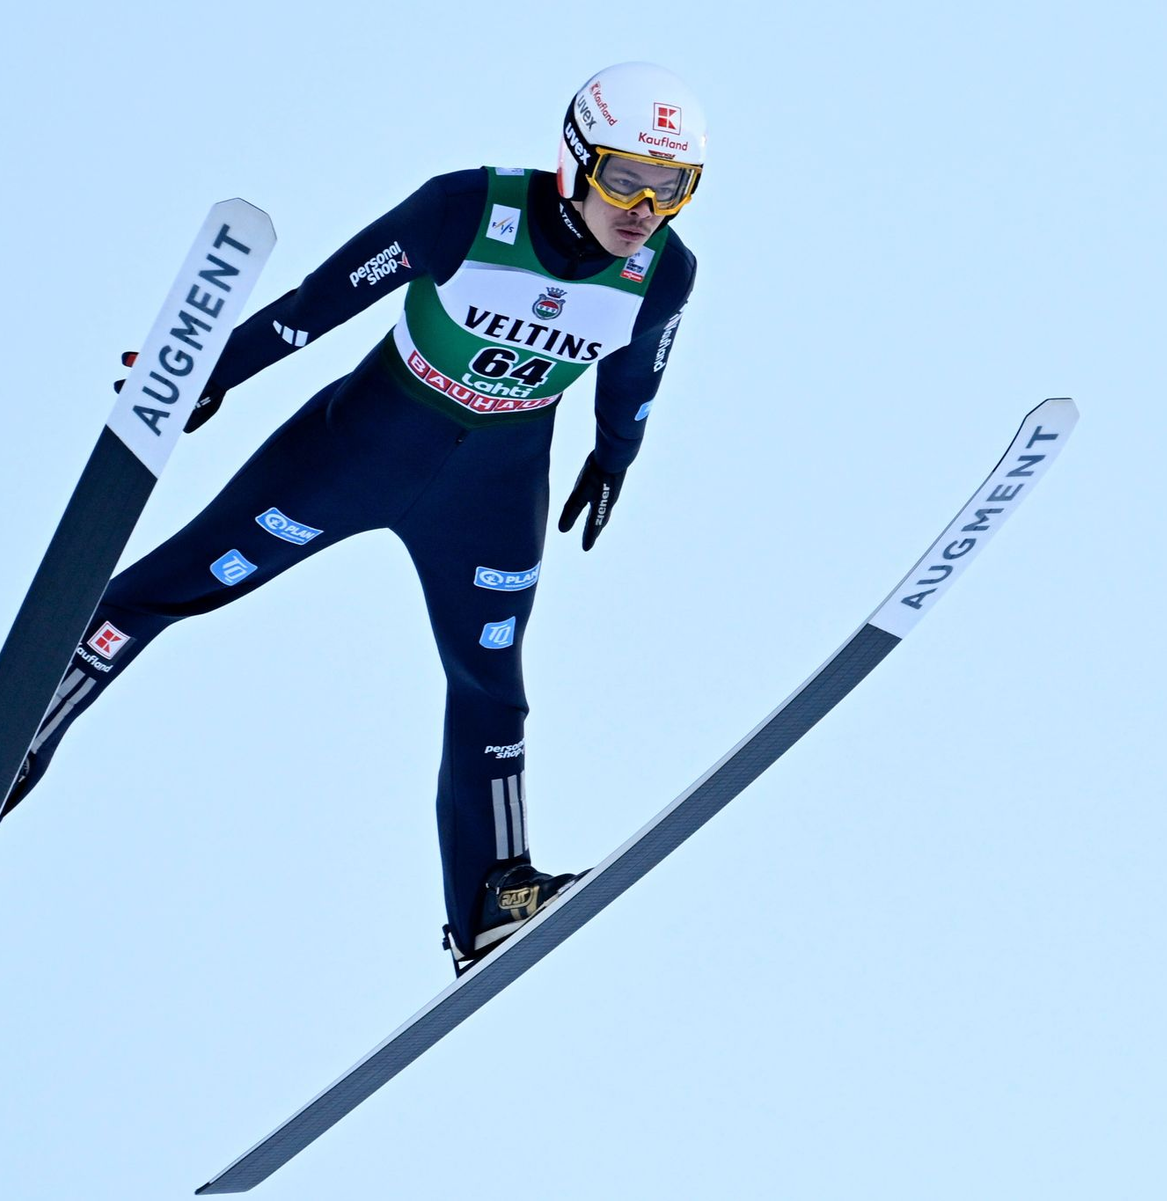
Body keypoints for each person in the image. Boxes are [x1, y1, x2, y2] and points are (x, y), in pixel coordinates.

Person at [2, 61, 705, 975]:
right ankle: (20, 732)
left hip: (494, 495)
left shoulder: (665, 273)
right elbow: (315, 306)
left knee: (492, 685)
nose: (643, 209)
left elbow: (636, 378)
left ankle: (491, 898)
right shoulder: (466, 210)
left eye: (671, 189)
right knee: (166, 587)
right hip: (359, 451)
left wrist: (615, 458)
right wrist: (214, 371)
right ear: (576, 161)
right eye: (625, 179)